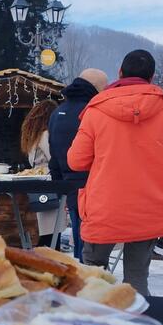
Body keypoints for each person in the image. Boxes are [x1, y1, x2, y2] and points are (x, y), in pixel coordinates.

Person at [68, 50, 163, 296]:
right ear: (152, 77)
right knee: (137, 279)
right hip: (149, 207)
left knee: (93, 276)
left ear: (120, 73)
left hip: (105, 206)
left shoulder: (96, 111)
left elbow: (76, 161)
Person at [48, 68, 108, 261]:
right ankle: (90, 284)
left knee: (79, 238)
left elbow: (54, 155)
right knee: (92, 247)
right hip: (94, 187)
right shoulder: (94, 112)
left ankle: (79, 279)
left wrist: (60, 187)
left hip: (70, 187)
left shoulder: (57, 113)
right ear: (96, 88)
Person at [20, 99, 65, 248]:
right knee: (52, 231)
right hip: (49, 181)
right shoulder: (46, 135)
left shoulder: (33, 136)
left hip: (39, 182)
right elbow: (53, 157)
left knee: (47, 230)